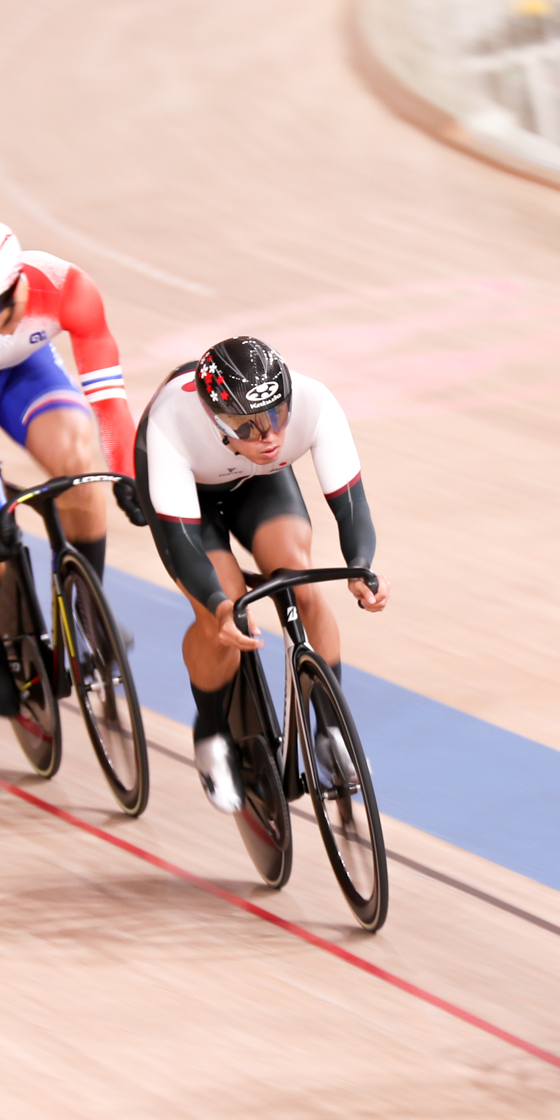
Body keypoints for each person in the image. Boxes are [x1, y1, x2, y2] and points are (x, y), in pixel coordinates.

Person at [135, 337, 390, 813]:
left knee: (302, 581)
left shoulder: (313, 403)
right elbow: (183, 545)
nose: (269, 436)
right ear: (216, 422)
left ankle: (331, 730)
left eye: (277, 415)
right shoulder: (173, 422)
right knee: (225, 608)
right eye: (249, 427)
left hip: (258, 482)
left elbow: (352, 503)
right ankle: (211, 733)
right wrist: (217, 606)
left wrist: (362, 567)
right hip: (188, 494)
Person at [0, 218, 140, 718]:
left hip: (24, 374)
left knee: (78, 464)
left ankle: (87, 609)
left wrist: (129, 474)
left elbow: (109, 400)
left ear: (18, 282)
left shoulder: (66, 288)